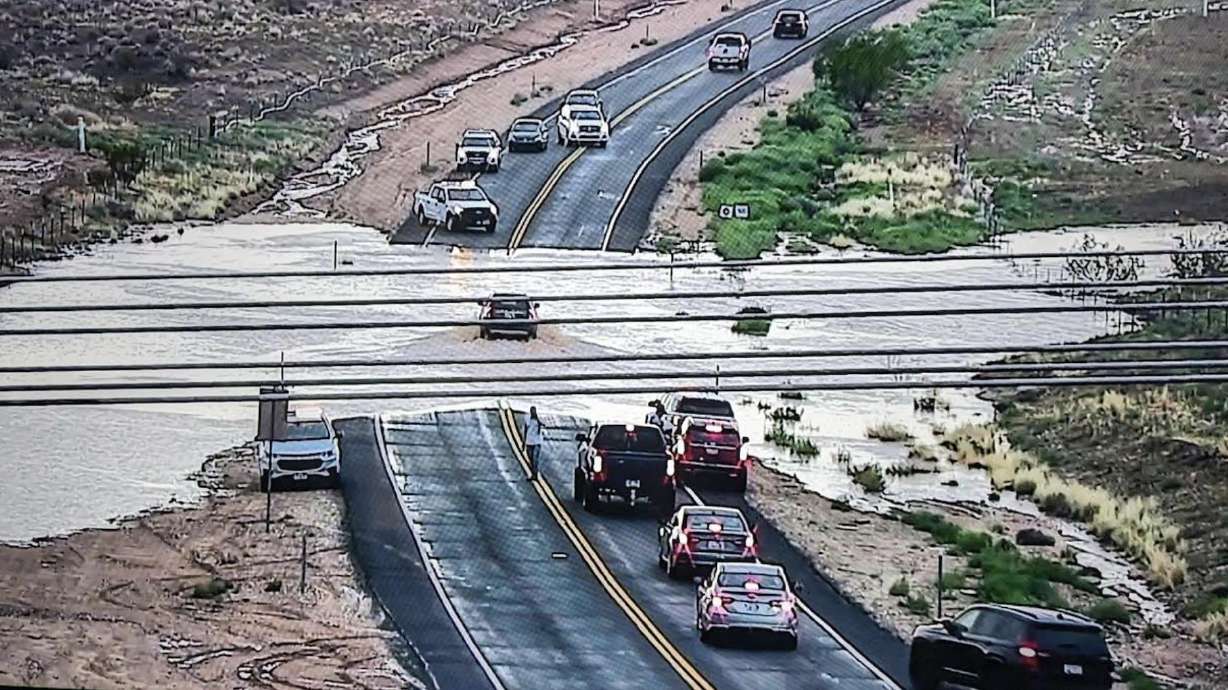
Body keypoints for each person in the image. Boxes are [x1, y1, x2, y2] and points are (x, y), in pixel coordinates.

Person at [524, 406, 543, 481]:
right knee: (530, 459)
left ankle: (535, 475)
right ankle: (533, 473)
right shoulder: (527, 418)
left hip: (537, 442)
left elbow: (544, 424)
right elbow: (525, 430)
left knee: (535, 459)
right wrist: (524, 442)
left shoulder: (539, 419)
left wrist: (539, 421)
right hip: (529, 442)